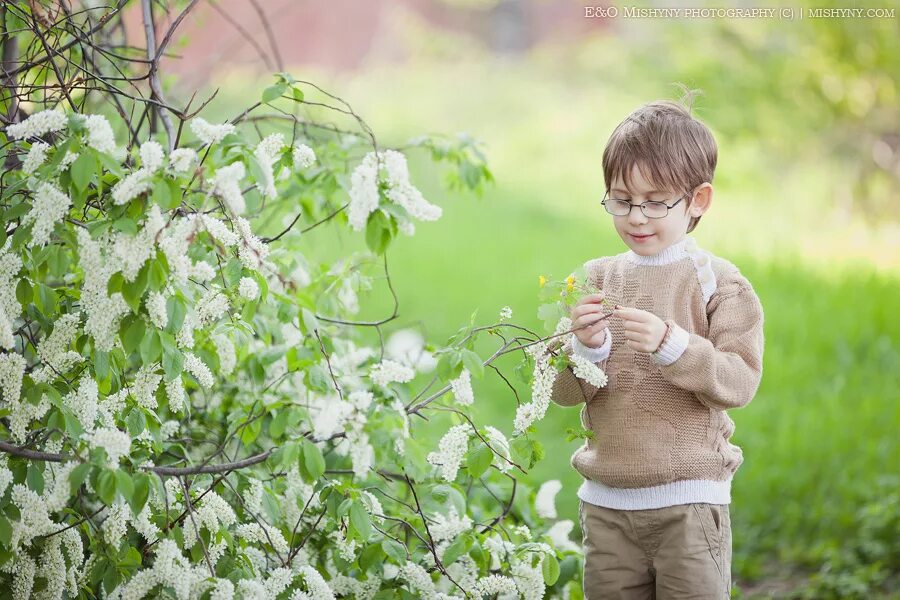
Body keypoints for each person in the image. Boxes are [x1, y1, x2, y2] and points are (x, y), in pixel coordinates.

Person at [549, 98, 765, 599]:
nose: (637, 217)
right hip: (607, 505)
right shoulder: (596, 279)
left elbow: (738, 380)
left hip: (688, 504)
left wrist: (676, 347)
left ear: (697, 200)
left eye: (655, 201)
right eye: (621, 200)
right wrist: (586, 349)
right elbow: (561, 392)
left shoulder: (719, 284)